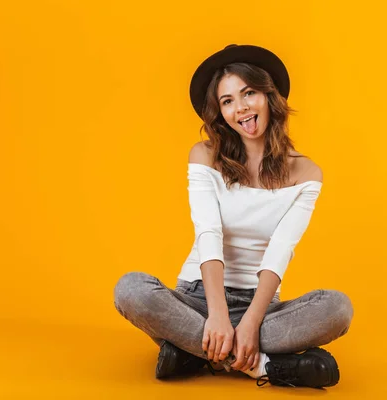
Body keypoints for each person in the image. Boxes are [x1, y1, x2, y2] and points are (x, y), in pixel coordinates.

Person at [113, 44, 354, 388]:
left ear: (269, 96)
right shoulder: (204, 156)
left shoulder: (306, 173)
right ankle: (263, 367)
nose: (240, 109)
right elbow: (208, 232)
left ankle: (194, 352)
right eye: (227, 101)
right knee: (131, 289)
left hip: (261, 305)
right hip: (197, 299)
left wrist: (252, 321)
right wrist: (218, 316)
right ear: (220, 112)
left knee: (337, 309)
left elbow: (281, 248)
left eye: (248, 93)